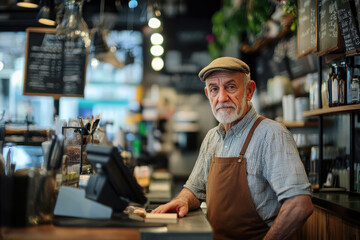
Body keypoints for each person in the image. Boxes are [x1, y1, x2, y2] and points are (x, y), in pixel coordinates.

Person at [152, 57, 313, 240]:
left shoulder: (272, 134)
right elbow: (195, 189)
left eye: (230, 87)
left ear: (249, 91)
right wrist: (182, 200)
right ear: (208, 94)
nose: (222, 98)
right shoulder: (212, 138)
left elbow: (299, 204)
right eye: (214, 89)